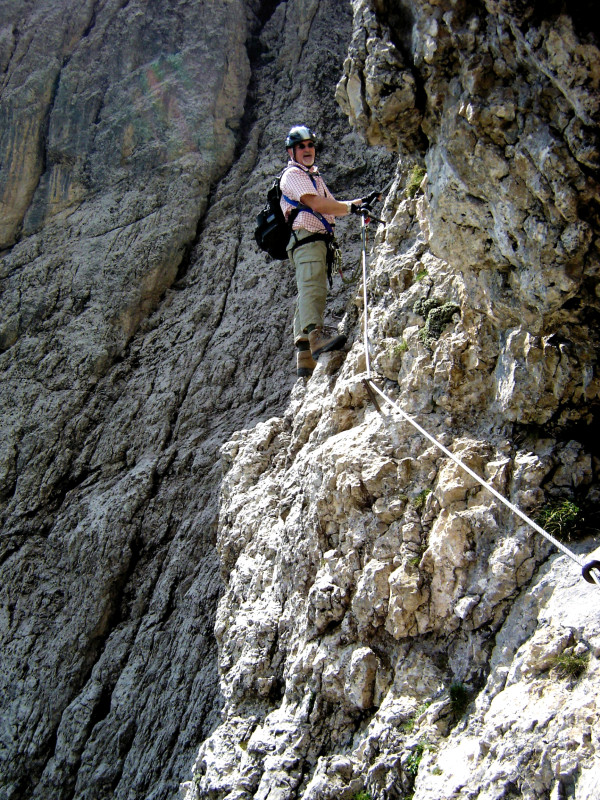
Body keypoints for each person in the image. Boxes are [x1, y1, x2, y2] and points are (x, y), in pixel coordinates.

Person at [280, 125, 379, 377]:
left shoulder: (313, 176)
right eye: (301, 146)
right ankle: (316, 338)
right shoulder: (293, 175)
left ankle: (305, 357)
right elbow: (317, 204)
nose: (307, 149)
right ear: (292, 151)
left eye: (310, 145)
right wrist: (350, 210)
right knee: (313, 286)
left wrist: (360, 203)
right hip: (307, 239)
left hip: (313, 241)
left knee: (308, 287)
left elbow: (332, 204)